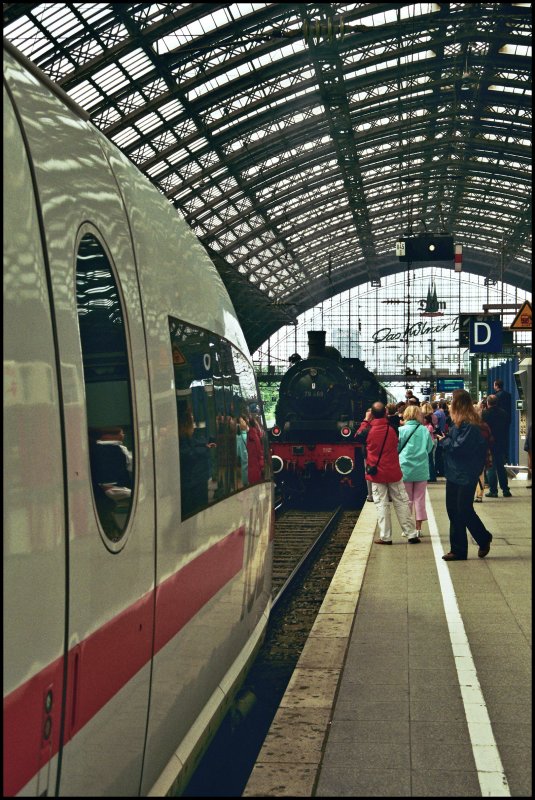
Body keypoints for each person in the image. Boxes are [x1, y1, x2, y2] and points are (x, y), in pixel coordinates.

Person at [436, 389, 493, 561]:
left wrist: (443, 441)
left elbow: (458, 447)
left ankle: (483, 537)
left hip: (465, 473)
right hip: (455, 472)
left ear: (458, 405)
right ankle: (458, 550)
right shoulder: (461, 424)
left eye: (452, 401)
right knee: (453, 509)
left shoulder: (469, 425)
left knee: (463, 508)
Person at [355, 402, 420, 544]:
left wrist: (366, 419)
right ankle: (411, 534)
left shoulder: (367, 430)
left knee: (381, 504)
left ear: (372, 413)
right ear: (385, 412)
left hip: (376, 473)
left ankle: (386, 537)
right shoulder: (393, 429)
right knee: (402, 502)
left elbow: (357, 435)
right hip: (393, 471)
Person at [398, 405, 434, 537]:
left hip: (405, 468)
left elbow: (397, 448)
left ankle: (408, 529)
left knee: (406, 500)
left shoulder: (401, 430)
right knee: (419, 498)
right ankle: (418, 528)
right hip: (421, 469)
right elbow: (430, 447)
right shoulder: (424, 430)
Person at [482, 394, 511, 498]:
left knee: (491, 468)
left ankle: (493, 491)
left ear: (488, 403)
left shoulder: (484, 414)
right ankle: (506, 490)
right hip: (501, 444)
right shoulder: (504, 413)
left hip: (489, 444)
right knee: (501, 468)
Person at [492, 378, 512, 460]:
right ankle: (506, 459)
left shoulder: (495, 397)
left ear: (496, 386)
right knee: (505, 441)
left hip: (497, 423)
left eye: (494, 385)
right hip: (507, 421)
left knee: (497, 444)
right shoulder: (508, 395)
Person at [420, 401, 438, 482]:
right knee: (432, 459)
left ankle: (430, 476)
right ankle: (432, 475)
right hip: (434, 439)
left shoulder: (425, 423)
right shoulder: (434, 416)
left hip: (428, 441)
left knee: (429, 459)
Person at [247, 415, 265, 484]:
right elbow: (258, 446)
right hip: (255, 456)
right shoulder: (255, 432)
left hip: (253, 457)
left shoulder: (252, 432)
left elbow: (257, 446)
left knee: (254, 473)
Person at [236, 416, 249, 488]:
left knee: (244, 465)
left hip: (241, 452)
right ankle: (246, 482)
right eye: (242, 421)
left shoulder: (238, 436)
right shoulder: (245, 435)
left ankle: (245, 482)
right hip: (245, 452)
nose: (244, 422)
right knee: (245, 465)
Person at [524, 423, 532, 489]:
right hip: (530, 448)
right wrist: (526, 446)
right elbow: (528, 435)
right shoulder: (530, 425)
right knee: (531, 465)